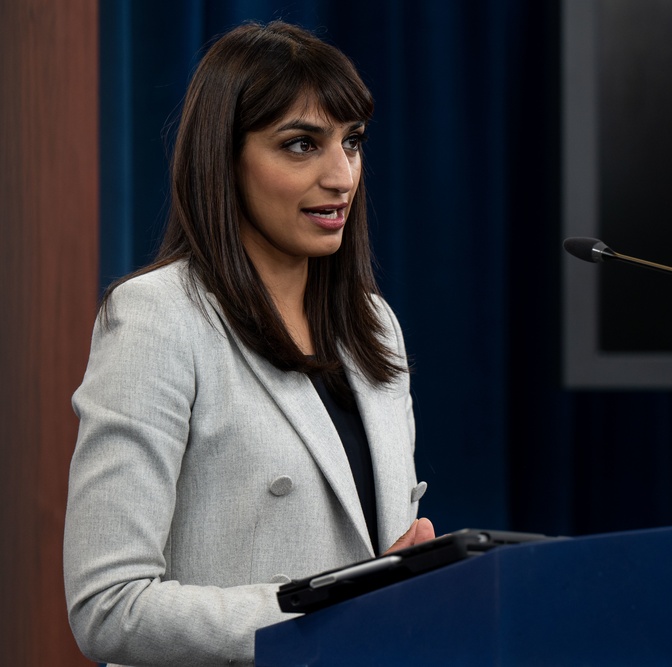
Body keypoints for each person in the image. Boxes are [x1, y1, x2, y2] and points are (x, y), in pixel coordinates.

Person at [63, 20, 435, 667]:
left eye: (352, 142)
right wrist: (325, 609)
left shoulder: (375, 325)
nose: (341, 175)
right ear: (224, 158)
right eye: (301, 145)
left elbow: (370, 571)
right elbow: (107, 603)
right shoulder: (157, 318)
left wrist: (421, 576)